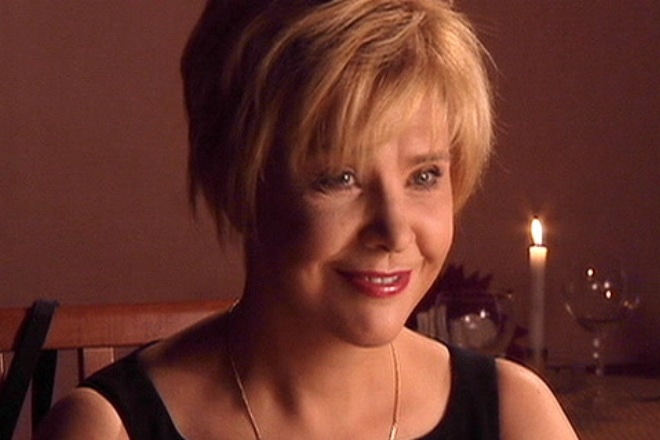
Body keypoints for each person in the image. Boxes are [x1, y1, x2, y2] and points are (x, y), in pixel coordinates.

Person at [35, 0, 578, 439]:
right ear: (237, 183)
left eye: (425, 175)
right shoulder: (107, 429)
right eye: (340, 177)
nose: (394, 231)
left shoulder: (515, 412)